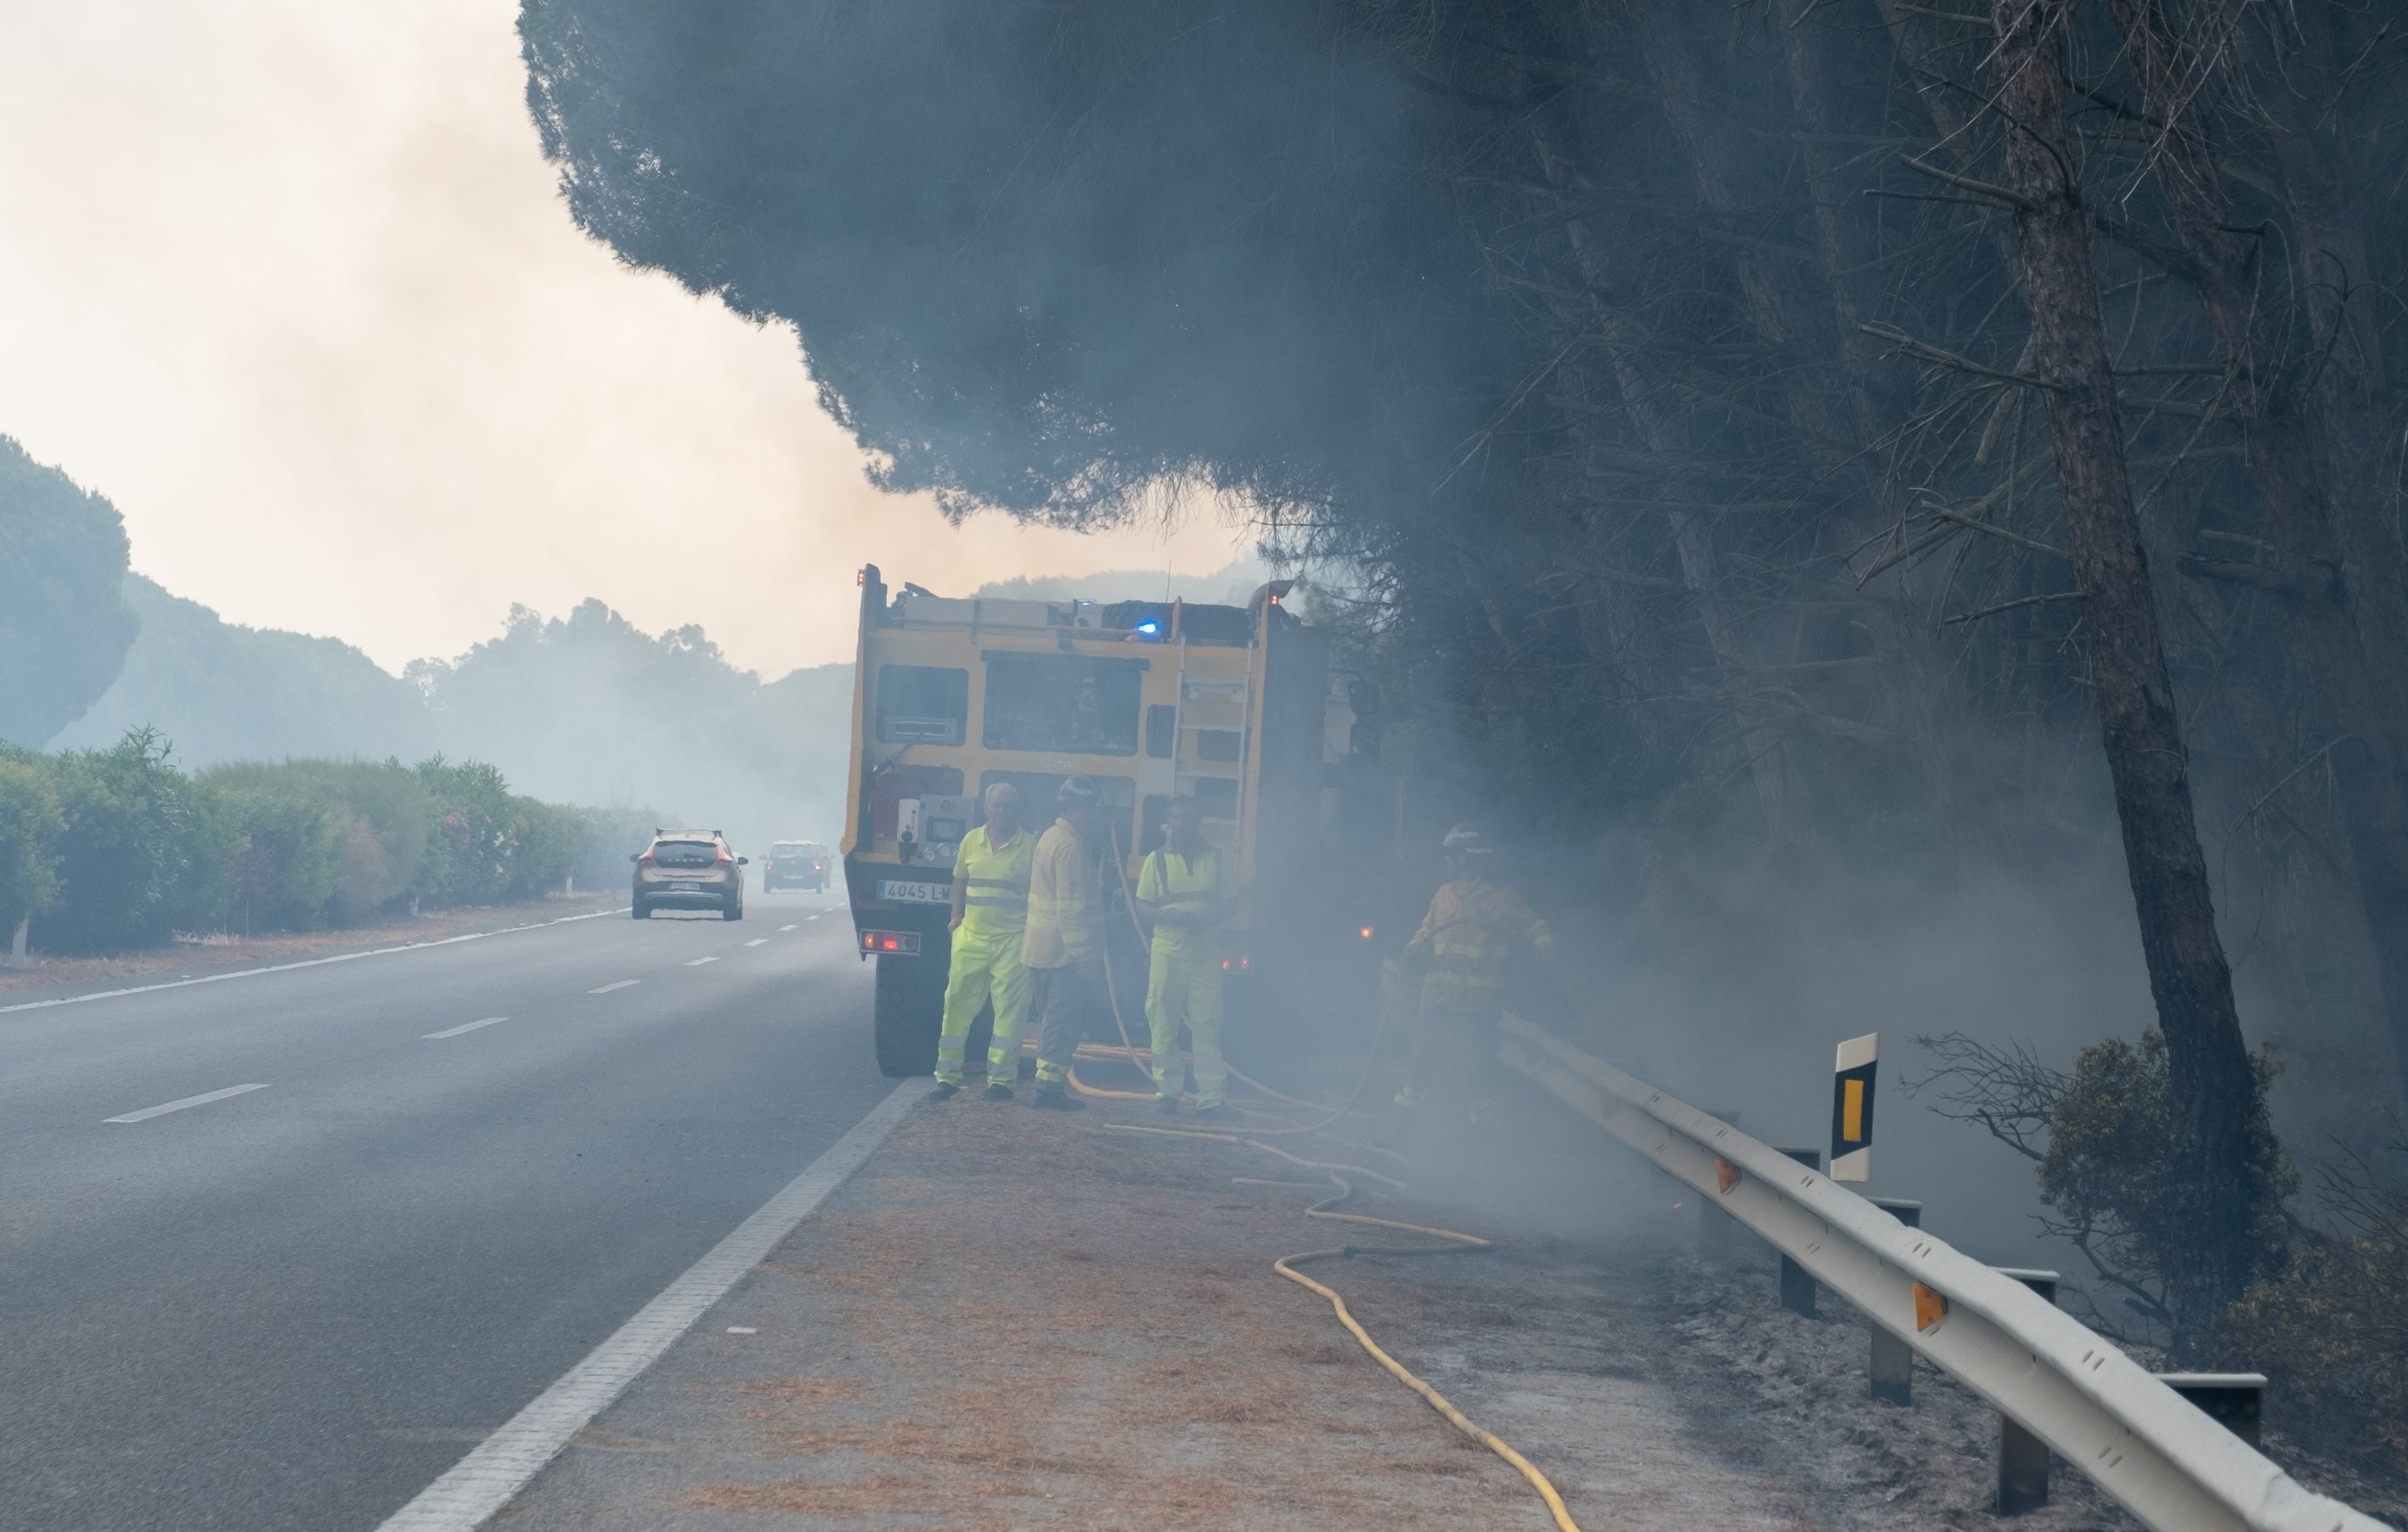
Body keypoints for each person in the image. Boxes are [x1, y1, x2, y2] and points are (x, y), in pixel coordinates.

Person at [1397, 824, 1552, 1113]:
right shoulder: (1444, 894)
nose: (1446, 861)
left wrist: (1545, 946)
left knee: (1479, 1073)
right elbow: (1426, 929)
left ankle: (1479, 1135)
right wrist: (1412, 947)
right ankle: (1406, 1123)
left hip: (1477, 1008)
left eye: (1450, 855)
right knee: (1419, 1068)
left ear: (1464, 858)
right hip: (1437, 999)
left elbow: (1535, 926)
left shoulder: (1501, 899)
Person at [928, 783, 1035, 1102]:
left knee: (1010, 1014)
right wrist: (955, 918)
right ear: (986, 808)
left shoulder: (1031, 846)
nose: (1002, 812)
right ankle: (946, 1077)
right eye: (996, 805)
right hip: (971, 939)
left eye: (1008, 806)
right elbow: (959, 879)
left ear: (1017, 810)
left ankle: (1001, 1083)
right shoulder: (970, 840)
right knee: (956, 1008)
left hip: (1012, 942)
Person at [1134, 796, 1238, 1121]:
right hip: (1168, 951)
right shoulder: (1156, 860)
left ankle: (1211, 1098)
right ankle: (1168, 1093)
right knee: (1163, 1021)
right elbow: (1142, 906)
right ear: (1169, 823)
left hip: (1205, 953)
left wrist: (1210, 920)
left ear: (1197, 822)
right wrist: (1172, 917)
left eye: (1187, 818)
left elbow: (1231, 903)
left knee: (1207, 1024)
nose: (1181, 824)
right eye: (1176, 818)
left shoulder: (1218, 860)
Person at [1020, 775, 1106, 1111]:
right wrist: (1084, 954)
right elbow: (1070, 909)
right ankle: (1049, 1089)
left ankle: (1048, 1085)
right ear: (1076, 809)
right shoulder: (1069, 846)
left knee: (1052, 1020)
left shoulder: (1050, 837)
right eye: (1090, 810)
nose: (1094, 816)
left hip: (1043, 950)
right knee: (1062, 1022)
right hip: (1062, 955)